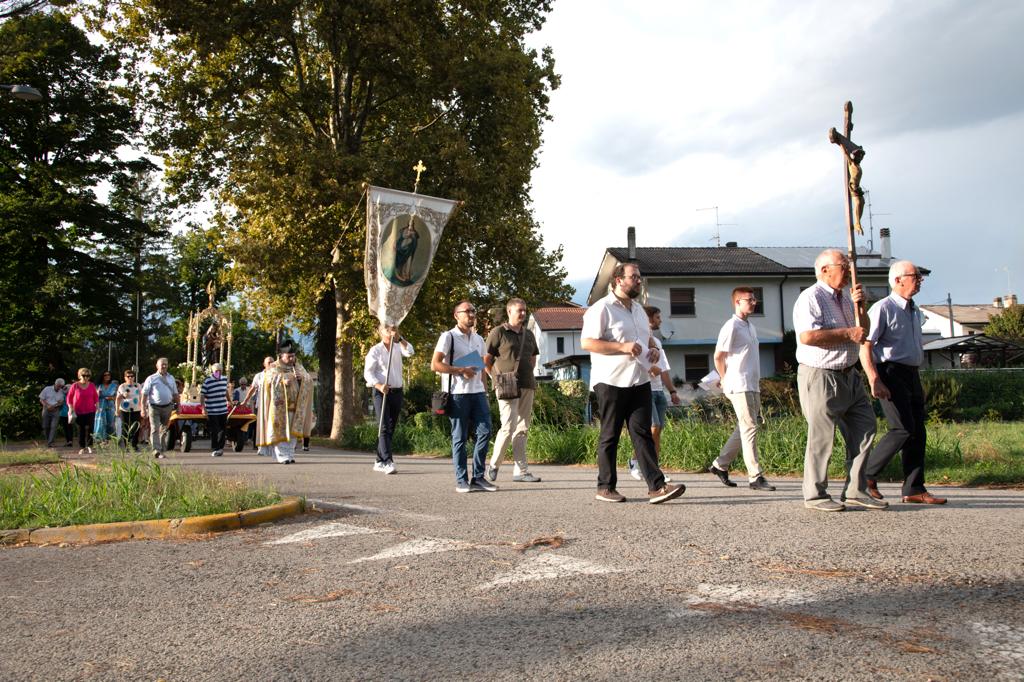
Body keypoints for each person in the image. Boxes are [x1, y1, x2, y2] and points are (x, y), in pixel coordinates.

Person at [581, 262, 686, 504]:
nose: (639, 280)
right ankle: (605, 487)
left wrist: (653, 350)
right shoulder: (601, 309)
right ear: (619, 280)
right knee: (610, 434)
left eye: (639, 277)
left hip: (640, 378)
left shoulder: (638, 310)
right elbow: (587, 343)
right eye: (634, 277)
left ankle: (657, 487)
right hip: (610, 381)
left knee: (643, 433)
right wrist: (621, 347)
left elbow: (646, 339)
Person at [793, 249, 887, 512]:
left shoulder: (846, 298)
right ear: (824, 270)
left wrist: (862, 308)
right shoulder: (810, 297)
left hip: (849, 374)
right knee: (822, 436)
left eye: (847, 266)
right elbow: (808, 337)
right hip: (821, 375)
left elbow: (863, 332)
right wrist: (848, 332)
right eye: (843, 266)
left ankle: (856, 489)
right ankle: (815, 494)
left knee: (865, 428)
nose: (847, 271)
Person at [860, 261, 946, 505]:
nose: (919, 280)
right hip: (890, 372)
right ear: (898, 280)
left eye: (920, 276)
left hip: (911, 373)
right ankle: (865, 475)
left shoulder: (913, 310)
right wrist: (874, 379)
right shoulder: (882, 309)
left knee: (918, 432)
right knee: (902, 428)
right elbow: (866, 345)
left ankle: (914, 488)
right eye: (915, 276)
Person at [708, 288, 776, 491]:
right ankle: (755, 476)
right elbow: (718, 356)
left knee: (746, 427)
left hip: (752, 384)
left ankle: (720, 465)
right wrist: (724, 378)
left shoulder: (750, 326)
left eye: (755, 299)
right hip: (738, 384)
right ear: (737, 302)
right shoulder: (731, 326)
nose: (754, 302)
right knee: (749, 429)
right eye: (749, 299)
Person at [431, 300, 497, 494]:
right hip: (458, 394)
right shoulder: (448, 337)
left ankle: (478, 477)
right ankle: (461, 479)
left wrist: (485, 391)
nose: (471, 314)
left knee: (485, 432)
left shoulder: (479, 339)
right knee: (459, 437)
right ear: (456, 315)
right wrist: (460, 369)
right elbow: (435, 365)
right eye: (467, 311)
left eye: (473, 311)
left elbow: (483, 367)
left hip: (477, 393)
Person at [484, 298, 541, 483]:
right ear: (509, 312)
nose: (523, 313)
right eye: (519, 310)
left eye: (525, 310)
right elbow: (487, 360)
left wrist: (527, 374)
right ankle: (494, 465)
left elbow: (533, 358)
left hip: (527, 384)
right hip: (506, 385)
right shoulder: (498, 332)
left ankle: (521, 472)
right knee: (508, 427)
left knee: (522, 428)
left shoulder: (529, 334)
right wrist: (496, 379)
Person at [628, 306, 679, 482]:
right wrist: (652, 368)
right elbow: (641, 364)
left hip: (659, 392)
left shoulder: (658, 343)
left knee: (657, 433)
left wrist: (672, 391)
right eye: (657, 317)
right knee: (653, 427)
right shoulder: (638, 339)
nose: (660, 320)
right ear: (648, 319)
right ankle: (635, 462)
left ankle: (655, 469)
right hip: (645, 389)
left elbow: (663, 369)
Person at [364, 324, 415, 474]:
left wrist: (400, 339)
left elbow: (410, 351)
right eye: (387, 329)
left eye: (394, 329)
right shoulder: (375, 350)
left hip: (397, 391)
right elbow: (368, 373)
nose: (391, 331)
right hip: (382, 392)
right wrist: (379, 385)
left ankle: (379, 460)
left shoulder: (398, 346)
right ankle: (387, 461)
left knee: (391, 426)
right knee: (384, 426)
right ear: (380, 333)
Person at [253, 340, 314, 464]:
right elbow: (267, 382)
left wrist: (302, 379)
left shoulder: (299, 367)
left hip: (296, 406)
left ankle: (290, 454)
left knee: (292, 432)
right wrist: (282, 381)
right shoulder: (274, 367)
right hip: (280, 406)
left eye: (293, 356)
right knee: (281, 430)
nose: (292, 359)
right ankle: (282, 455)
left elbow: (309, 380)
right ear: (281, 356)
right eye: (289, 356)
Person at [140, 358, 179, 459]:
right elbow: (144, 394)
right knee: (154, 428)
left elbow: (175, 393)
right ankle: (156, 450)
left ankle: (161, 447)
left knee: (164, 429)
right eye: (162, 364)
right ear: (157, 366)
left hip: (167, 407)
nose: (164, 366)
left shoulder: (171, 378)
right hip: (154, 407)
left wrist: (178, 406)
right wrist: (143, 408)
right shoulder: (151, 378)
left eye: (166, 364)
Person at [66, 368, 99, 455]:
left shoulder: (91, 385)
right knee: (81, 429)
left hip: (91, 410)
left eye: (88, 376)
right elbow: (69, 398)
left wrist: (98, 406)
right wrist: (70, 408)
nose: (86, 377)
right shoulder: (75, 385)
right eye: (84, 375)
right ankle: (82, 447)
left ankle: (89, 446)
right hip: (78, 411)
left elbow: (96, 397)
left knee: (91, 429)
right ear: (79, 375)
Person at [201, 362, 229, 457]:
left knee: (223, 429)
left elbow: (226, 391)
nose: (218, 372)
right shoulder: (207, 381)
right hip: (212, 410)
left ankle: (220, 448)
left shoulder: (224, 379)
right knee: (215, 430)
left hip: (223, 409)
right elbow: (202, 395)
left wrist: (230, 401)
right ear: (213, 371)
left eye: (220, 371)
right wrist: (203, 408)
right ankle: (215, 448)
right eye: (216, 371)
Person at [116, 368, 143, 451]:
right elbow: (118, 398)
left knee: (136, 427)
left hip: (136, 409)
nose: (130, 378)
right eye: (128, 376)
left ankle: (134, 445)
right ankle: (126, 445)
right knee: (125, 428)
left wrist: (143, 408)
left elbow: (142, 397)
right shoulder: (122, 386)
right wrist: (117, 410)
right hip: (125, 410)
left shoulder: (138, 385)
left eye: (132, 376)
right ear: (125, 378)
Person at [39, 378, 66, 448]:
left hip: (56, 410)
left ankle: (51, 442)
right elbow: (41, 399)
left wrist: (56, 405)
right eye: (58, 386)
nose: (59, 388)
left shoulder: (62, 391)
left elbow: (61, 402)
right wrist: (47, 405)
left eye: (61, 386)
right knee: (45, 426)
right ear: (55, 384)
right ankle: (48, 441)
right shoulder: (47, 389)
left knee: (54, 426)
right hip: (46, 409)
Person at [93, 370, 118, 441]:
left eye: (108, 375)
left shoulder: (115, 386)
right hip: (100, 405)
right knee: (100, 421)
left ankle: (111, 439)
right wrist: (97, 394)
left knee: (111, 422)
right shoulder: (98, 386)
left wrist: (112, 398)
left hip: (110, 405)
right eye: (105, 375)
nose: (107, 376)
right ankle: (99, 439)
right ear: (102, 376)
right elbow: (93, 397)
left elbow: (118, 397)